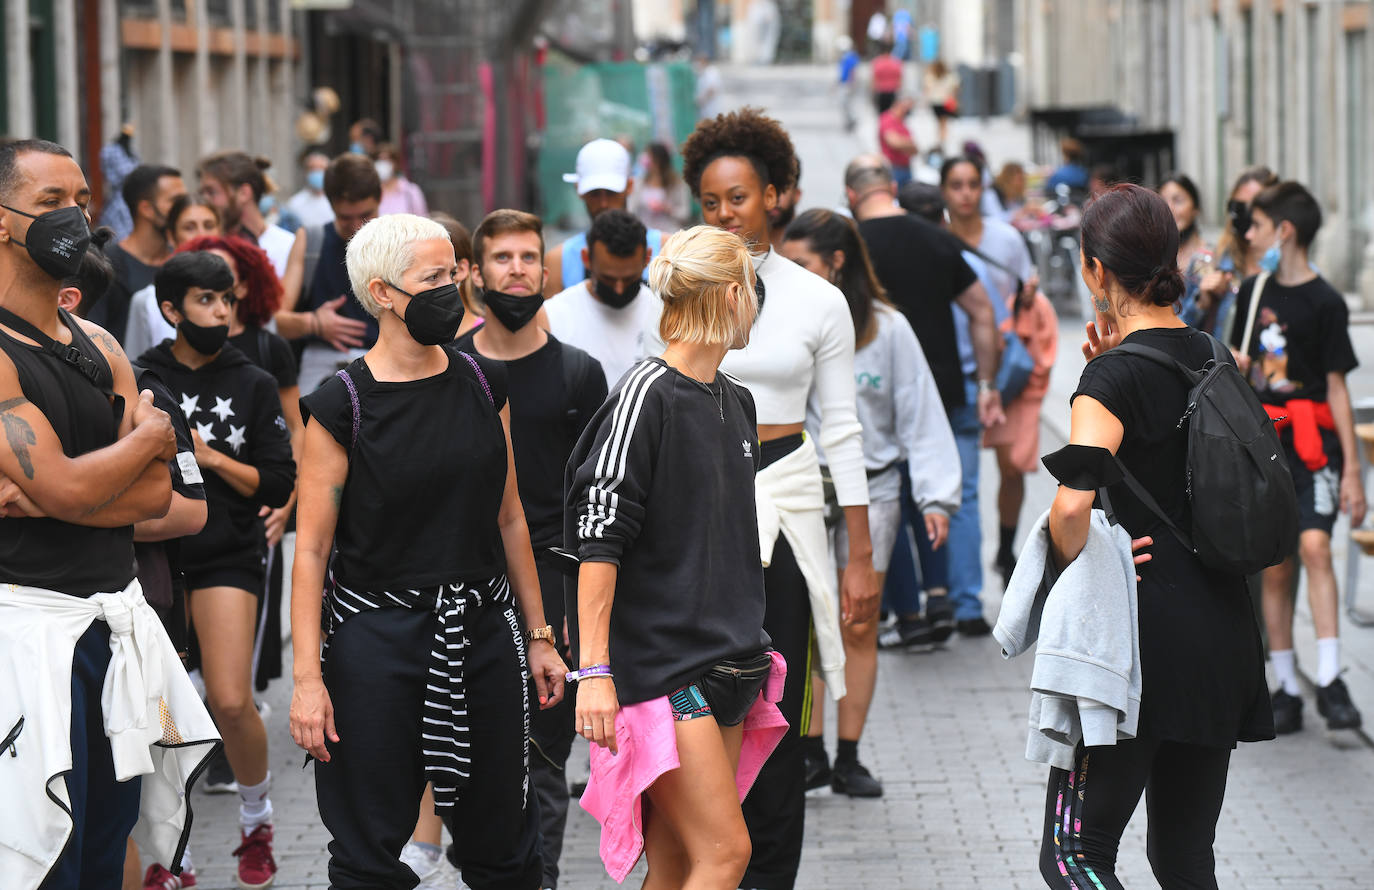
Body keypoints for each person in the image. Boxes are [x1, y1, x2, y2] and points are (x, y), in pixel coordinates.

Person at [289, 212, 565, 890]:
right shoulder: (339, 404)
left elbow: (509, 519)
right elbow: (312, 549)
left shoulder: (482, 384)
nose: (454, 286)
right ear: (382, 293)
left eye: (455, 271)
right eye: (434, 277)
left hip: (482, 632)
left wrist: (539, 636)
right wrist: (306, 679)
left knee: (506, 848)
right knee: (368, 855)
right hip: (373, 644)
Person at [1038, 182, 1274, 889]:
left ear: (1095, 270)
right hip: (1222, 631)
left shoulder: (1110, 379)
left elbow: (1071, 508)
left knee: (1074, 854)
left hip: (1136, 644)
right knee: (1182, 856)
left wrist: (1080, 557)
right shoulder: (1212, 353)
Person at [0, 139, 217, 890]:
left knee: (105, 846)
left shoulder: (98, 344)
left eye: (84, 201)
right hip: (28, 640)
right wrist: (147, 440)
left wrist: (59, 491)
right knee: (40, 856)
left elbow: (159, 497)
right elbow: (65, 486)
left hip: (114, 627)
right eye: (53, 202)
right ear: (2, 222)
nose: (78, 219)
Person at [679, 106, 878, 889]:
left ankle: (769, 875)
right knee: (696, 705)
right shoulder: (682, 283)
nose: (726, 214)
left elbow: (845, 434)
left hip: (789, 510)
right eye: (710, 202)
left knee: (781, 705)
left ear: (775, 197)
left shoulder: (817, 300)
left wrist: (858, 554)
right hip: (696, 517)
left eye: (739, 197)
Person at [567, 225, 778, 889]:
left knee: (681, 862)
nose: (757, 302)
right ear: (727, 295)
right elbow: (597, 540)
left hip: (734, 662)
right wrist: (593, 671)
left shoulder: (735, 399)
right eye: (751, 287)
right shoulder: (645, 395)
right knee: (727, 855)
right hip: (666, 670)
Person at [780, 209, 959, 798]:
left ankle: (848, 756)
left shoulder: (888, 329)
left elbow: (922, 413)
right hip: (801, 485)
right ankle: (807, 751)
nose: (790, 273)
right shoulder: (782, 321)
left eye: (802, 262)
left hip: (875, 489)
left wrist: (936, 496)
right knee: (802, 622)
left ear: (836, 262)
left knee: (858, 623)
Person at [453, 209, 605, 890]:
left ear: (546, 270)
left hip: (554, 582)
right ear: (475, 273)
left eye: (527, 257)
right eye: (501, 258)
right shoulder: (453, 370)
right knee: (474, 754)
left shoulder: (579, 374)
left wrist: (579, 604)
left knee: (545, 755)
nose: (515, 269)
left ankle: (539, 880)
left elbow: (593, 500)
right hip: (467, 583)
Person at [137, 251, 297, 890]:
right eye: (207, 301)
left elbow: (280, 479)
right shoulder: (141, 375)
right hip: (157, 559)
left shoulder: (253, 380)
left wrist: (212, 458)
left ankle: (256, 821)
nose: (223, 312)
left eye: (228, 300)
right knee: (161, 715)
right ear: (171, 310)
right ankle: (171, 854)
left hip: (230, 552)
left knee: (230, 700)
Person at [59, 236, 214, 890]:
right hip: (42, 625)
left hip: (131, 605)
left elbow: (183, 505)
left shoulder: (143, 391)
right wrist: (97, 488)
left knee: (113, 798)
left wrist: (58, 494)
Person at [1227, 181, 1366, 734]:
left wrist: (1354, 470)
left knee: (1314, 546)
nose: (1249, 234)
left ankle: (1330, 676)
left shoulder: (1326, 301)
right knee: (1277, 562)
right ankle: (1286, 685)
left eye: (1256, 225)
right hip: (1266, 444)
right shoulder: (1252, 292)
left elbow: (1337, 388)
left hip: (1315, 443)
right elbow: (1239, 368)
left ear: (1282, 231)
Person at [846, 154, 1004, 638]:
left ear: (852, 196)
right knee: (954, 493)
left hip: (874, 397)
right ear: (891, 189)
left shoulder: (851, 248)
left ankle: (907, 612)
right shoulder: (937, 237)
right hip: (948, 387)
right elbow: (982, 311)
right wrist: (986, 385)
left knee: (886, 493)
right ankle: (955, 601)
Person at [940, 155, 1049, 583]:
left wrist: (1027, 298)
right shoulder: (938, 240)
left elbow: (1028, 291)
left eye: (972, 184)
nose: (965, 193)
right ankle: (956, 573)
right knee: (959, 479)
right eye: (956, 184)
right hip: (955, 368)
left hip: (1006, 369)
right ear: (945, 191)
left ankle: (1005, 548)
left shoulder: (1006, 239)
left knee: (1011, 466)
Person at [276, 153, 379, 394]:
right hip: (321, 373)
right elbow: (277, 319)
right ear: (331, 205)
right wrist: (313, 323)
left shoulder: (401, 241)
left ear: (379, 200)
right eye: (346, 218)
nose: (357, 227)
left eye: (365, 216)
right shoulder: (310, 240)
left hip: (385, 367)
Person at [545, 209, 657, 389]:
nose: (619, 290)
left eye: (629, 279)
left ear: (647, 258)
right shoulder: (553, 315)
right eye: (608, 279)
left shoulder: (666, 312)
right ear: (586, 259)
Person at [543, 139, 664, 297]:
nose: (604, 203)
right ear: (578, 189)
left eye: (611, 192)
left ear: (629, 186)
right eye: (594, 193)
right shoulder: (557, 262)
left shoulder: (667, 249)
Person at [87, 164, 184, 346]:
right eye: (175, 202)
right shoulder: (105, 264)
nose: (183, 209)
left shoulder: (182, 261)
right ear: (147, 208)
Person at [121, 195, 224, 362]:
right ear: (171, 236)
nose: (202, 236)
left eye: (209, 226)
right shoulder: (147, 301)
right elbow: (134, 371)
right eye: (189, 227)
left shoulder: (241, 290)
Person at [1187, 165, 1278, 338]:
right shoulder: (1206, 263)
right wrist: (1201, 301)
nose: (1248, 215)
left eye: (1256, 208)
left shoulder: (1288, 269)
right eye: (1239, 207)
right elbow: (1176, 335)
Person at [197, 150, 300, 281]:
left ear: (244, 193)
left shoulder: (288, 247)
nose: (205, 201)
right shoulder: (209, 248)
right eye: (202, 193)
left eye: (211, 192)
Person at [628, 142, 691, 234]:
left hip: (670, 237)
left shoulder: (677, 184)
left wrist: (667, 209)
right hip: (644, 236)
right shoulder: (638, 183)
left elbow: (685, 214)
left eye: (649, 155)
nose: (645, 158)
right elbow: (631, 210)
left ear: (659, 159)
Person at [97, 123, 140, 239]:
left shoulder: (132, 152)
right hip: (117, 199)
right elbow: (121, 174)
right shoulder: (110, 151)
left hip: (130, 197)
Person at [374, 143, 429, 217]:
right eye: (380, 160)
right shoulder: (372, 193)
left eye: (386, 160)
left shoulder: (410, 191)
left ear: (396, 163)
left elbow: (422, 219)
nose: (383, 164)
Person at [285, 149, 335, 230]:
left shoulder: (336, 200)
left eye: (321, 168)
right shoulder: (294, 203)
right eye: (312, 168)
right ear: (305, 172)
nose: (317, 172)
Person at [922, 60, 960, 151]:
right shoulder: (949, 76)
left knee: (939, 122)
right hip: (945, 101)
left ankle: (940, 138)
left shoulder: (930, 76)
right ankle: (943, 139)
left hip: (935, 102)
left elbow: (927, 90)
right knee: (944, 121)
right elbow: (956, 87)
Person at [870, 40, 903, 114]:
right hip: (892, 90)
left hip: (881, 91)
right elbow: (899, 77)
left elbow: (874, 78)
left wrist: (873, 91)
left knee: (882, 113)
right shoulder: (896, 61)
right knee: (892, 113)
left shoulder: (877, 62)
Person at [694, 54, 724, 120]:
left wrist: (702, 100)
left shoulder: (711, 72)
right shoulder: (702, 72)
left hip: (711, 110)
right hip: (705, 111)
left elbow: (712, 89)